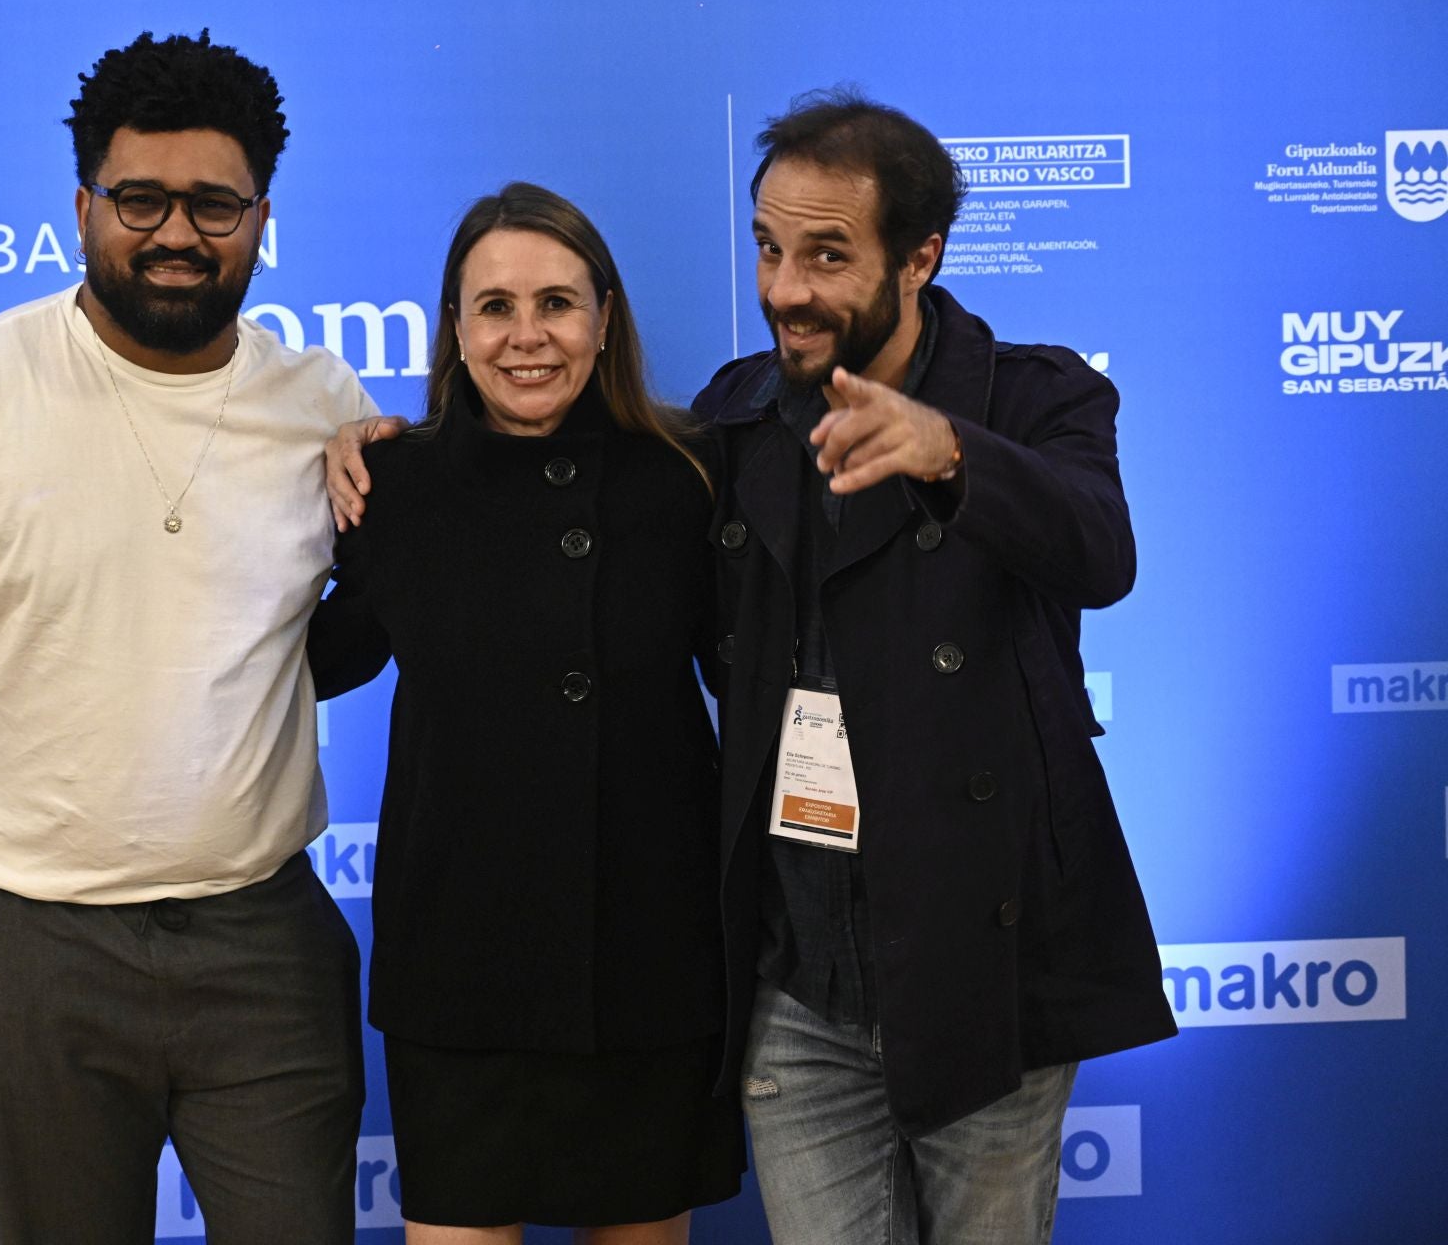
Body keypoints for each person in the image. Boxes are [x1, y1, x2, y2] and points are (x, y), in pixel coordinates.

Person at [328, 92, 1175, 1245]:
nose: (785, 287)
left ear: (919, 256)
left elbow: (1099, 545)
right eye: (770, 248)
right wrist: (369, 445)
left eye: (827, 254)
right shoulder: (732, 423)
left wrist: (948, 452)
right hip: (795, 974)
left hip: (983, 960)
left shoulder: (1034, 396)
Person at [0, 31, 374, 1245]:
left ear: (261, 217)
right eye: (141, 200)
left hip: (262, 935)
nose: (177, 233)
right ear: (83, 207)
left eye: (214, 204)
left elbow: (386, 615)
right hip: (24, 941)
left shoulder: (327, 406)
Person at [307, 182, 743, 1245]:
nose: (527, 335)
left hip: (651, 956)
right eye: (493, 306)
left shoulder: (691, 473)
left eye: (557, 301)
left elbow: (758, 674)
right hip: (460, 970)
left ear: (605, 315)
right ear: (455, 326)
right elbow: (310, 660)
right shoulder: (389, 484)